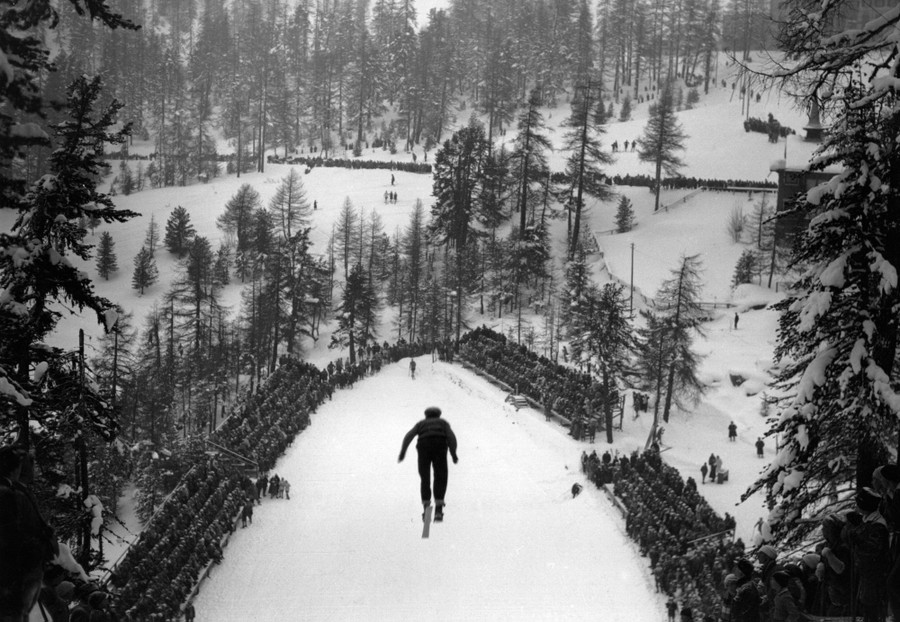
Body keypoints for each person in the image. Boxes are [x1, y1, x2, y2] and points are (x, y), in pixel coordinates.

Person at [0, 444, 57, 622]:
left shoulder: (16, 491)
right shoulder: (7, 495)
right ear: (16, 466)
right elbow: (12, 536)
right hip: (13, 578)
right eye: (27, 464)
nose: (31, 470)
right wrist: (36, 550)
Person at [398, 406, 458, 522]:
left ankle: (426, 508)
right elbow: (451, 437)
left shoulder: (421, 424)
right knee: (440, 476)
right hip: (439, 447)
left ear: (426, 415)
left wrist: (403, 452)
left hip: (424, 447)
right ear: (438, 415)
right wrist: (453, 454)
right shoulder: (443, 423)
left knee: (425, 477)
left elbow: (409, 436)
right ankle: (438, 510)